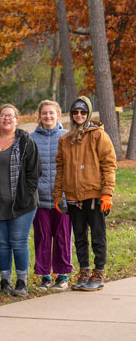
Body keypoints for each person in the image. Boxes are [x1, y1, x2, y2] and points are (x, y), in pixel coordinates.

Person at [0, 104, 41, 297]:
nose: (7, 119)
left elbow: (34, 173)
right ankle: (5, 280)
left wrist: (25, 196)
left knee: (18, 241)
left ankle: (21, 281)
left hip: (22, 204)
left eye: (11, 116)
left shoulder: (25, 142)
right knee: (2, 242)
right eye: (3, 115)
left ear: (17, 120)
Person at [54, 96, 116, 291]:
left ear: (88, 113)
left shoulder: (98, 135)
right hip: (73, 198)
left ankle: (98, 272)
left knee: (98, 235)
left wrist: (107, 193)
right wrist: (58, 195)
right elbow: (60, 168)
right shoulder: (65, 139)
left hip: (94, 196)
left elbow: (109, 164)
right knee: (79, 236)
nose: (79, 115)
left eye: (82, 112)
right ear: (71, 115)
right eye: (75, 112)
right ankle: (84, 272)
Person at [30, 100, 71, 290]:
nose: (48, 116)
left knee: (62, 237)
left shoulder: (67, 137)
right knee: (42, 237)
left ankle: (62, 275)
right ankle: (45, 276)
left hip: (61, 199)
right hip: (39, 199)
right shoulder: (31, 139)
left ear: (58, 115)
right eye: (44, 113)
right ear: (39, 116)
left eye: (51, 113)